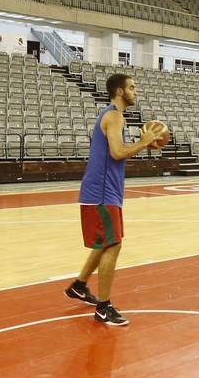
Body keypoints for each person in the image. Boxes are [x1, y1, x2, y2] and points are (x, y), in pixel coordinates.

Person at [66, 73, 167, 326]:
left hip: (104, 191)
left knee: (105, 242)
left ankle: (79, 285)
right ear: (120, 92)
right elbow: (117, 152)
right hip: (101, 193)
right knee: (113, 245)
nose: (136, 91)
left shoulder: (113, 116)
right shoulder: (114, 116)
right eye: (132, 88)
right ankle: (103, 307)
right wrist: (143, 143)